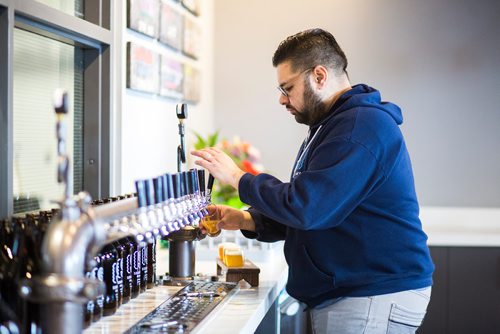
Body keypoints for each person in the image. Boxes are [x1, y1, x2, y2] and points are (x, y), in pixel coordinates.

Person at [192, 28, 434, 334]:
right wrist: (244, 219)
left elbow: (309, 207)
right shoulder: (334, 125)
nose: (282, 99)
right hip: (358, 290)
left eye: (287, 87)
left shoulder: (359, 128)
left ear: (319, 76)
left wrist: (238, 177)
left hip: (371, 292)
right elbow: (316, 207)